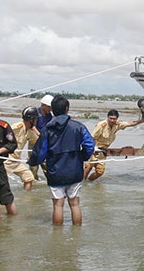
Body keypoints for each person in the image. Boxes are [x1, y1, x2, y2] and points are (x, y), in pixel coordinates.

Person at [28, 95, 95, 225]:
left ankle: (57, 238)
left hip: (55, 171)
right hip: (75, 170)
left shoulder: (47, 129)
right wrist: (82, 157)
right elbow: (89, 145)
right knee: (75, 204)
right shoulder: (78, 127)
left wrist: (32, 161)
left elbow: (40, 151)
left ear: (52, 110)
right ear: (67, 109)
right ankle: (76, 236)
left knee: (58, 205)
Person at [84, 109, 143, 181]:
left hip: (103, 151)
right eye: (110, 118)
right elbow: (92, 137)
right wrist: (93, 148)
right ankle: (82, 184)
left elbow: (130, 123)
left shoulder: (117, 125)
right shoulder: (101, 125)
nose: (112, 120)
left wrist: (143, 120)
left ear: (117, 119)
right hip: (94, 149)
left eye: (114, 119)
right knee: (88, 167)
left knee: (100, 172)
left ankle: (88, 182)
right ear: (108, 117)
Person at [5, 106, 38, 190]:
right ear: (30, 120)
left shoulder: (30, 132)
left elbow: (37, 143)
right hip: (6, 160)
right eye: (35, 119)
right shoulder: (16, 127)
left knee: (29, 177)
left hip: (16, 160)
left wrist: (32, 157)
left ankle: (27, 199)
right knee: (0, 182)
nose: (36, 121)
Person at [31, 94, 54, 180]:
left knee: (46, 165)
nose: (50, 109)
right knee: (33, 166)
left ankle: (51, 181)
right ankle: (33, 183)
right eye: (49, 107)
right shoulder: (35, 113)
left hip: (45, 143)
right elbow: (32, 126)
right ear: (43, 105)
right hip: (35, 142)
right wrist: (40, 135)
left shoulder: (49, 116)